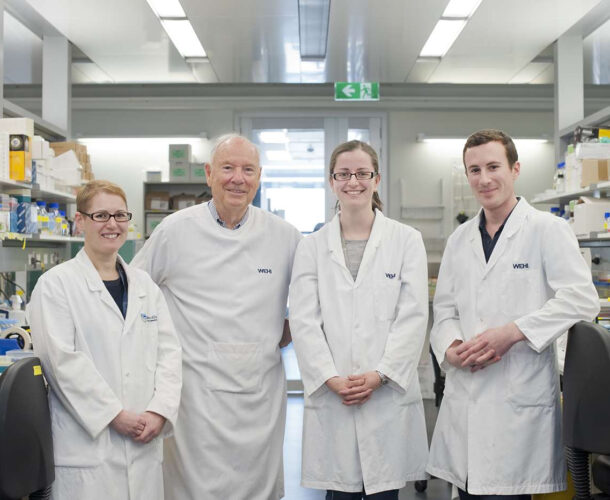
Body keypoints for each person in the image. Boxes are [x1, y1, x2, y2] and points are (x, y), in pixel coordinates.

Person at [426, 129, 600, 499]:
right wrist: (450, 347)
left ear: (515, 168)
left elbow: (582, 298)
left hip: (518, 400)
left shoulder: (546, 230)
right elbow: (443, 310)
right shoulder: (459, 240)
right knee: (470, 489)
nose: (484, 179)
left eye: (493, 166)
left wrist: (513, 332)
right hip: (466, 397)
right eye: (474, 170)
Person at [132, 133, 302, 500]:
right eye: (227, 168)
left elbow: (311, 301)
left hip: (259, 396)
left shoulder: (285, 237)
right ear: (209, 174)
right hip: (195, 396)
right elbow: (136, 293)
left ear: (259, 177)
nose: (237, 178)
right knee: (193, 488)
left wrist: (287, 325)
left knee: (256, 484)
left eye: (247, 170)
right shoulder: (175, 231)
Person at [289, 140, 429, 499]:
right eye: (344, 174)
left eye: (362, 173)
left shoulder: (406, 240)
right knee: (340, 493)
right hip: (335, 395)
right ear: (331, 181)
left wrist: (380, 375)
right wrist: (330, 378)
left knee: (385, 492)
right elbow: (304, 320)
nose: (354, 181)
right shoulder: (312, 246)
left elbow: (413, 316)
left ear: (376, 178)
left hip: (385, 395)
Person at [27, 180, 182, 500]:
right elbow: (63, 363)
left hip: (144, 442)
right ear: (80, 221)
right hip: (88, 449)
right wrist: (114, 415)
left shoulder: (145, 287)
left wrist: (160, 411)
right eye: (101, 215)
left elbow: (170, 354)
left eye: (120, 215)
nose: (113, 224)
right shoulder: (56, 285)